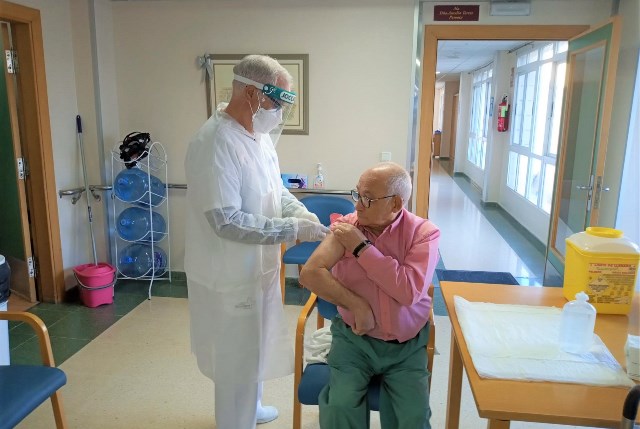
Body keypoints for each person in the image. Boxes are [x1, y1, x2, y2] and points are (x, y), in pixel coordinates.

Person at [184, 54, 329, 429]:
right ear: (252, 93)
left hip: (259, 265)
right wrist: (292, 231)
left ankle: (254, 405)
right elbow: (225, 221)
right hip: (228, 272)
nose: (278, 111)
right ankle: (235, 421)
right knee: (236, 357)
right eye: (277, 101)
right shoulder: (216, 142)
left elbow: (274, 190)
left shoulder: (258, 136)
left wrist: (300, 213)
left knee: (256, 345)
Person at [299, 162, 440, 429]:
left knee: (412, 418)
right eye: (357, 194)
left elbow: (409, 291)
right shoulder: (346, 228)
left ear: (396, 203)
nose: (358, 205)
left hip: (405, 346)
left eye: (368, 198)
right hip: (355, 340)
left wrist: (362, 248)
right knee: (340, 406)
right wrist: (356, 305)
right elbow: (310, 273)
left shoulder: (424, 234)